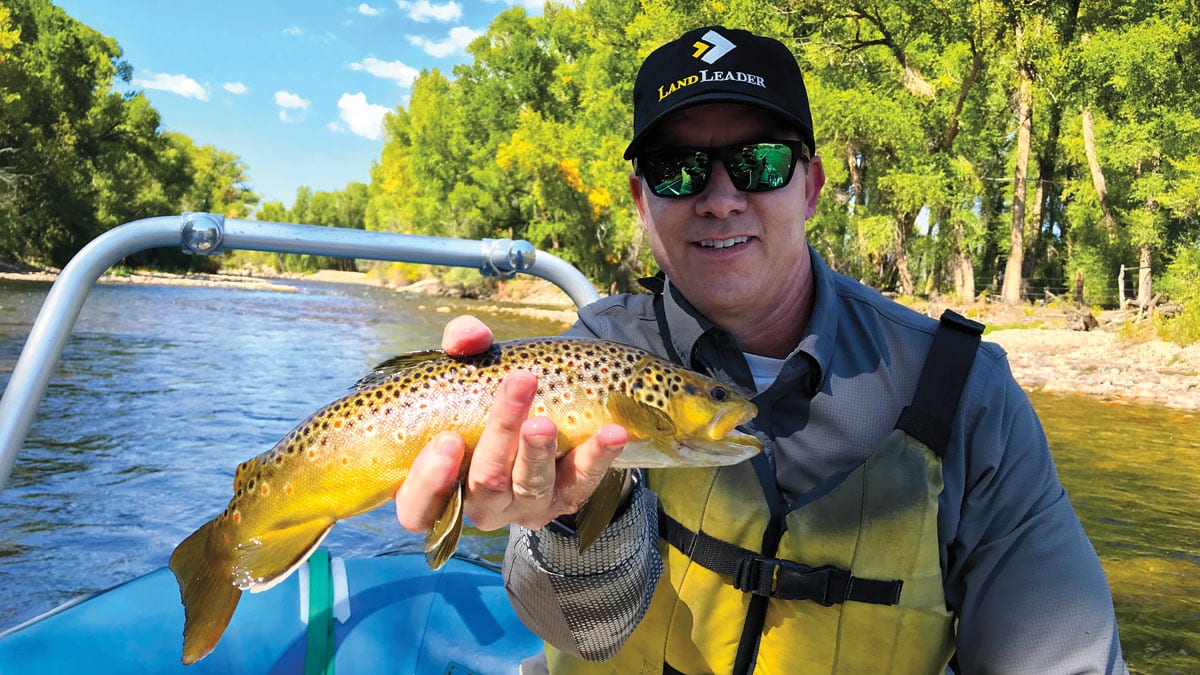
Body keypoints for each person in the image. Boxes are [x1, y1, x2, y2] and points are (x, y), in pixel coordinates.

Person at [395, 25, 1127, 674]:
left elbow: (1061, 654)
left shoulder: (965, 392)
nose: (718, 197)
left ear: (810, 186)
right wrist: (565, 516)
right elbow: (577, 630)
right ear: (641, 197)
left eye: (760, 162)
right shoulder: (585, 360)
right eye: (677, 169)